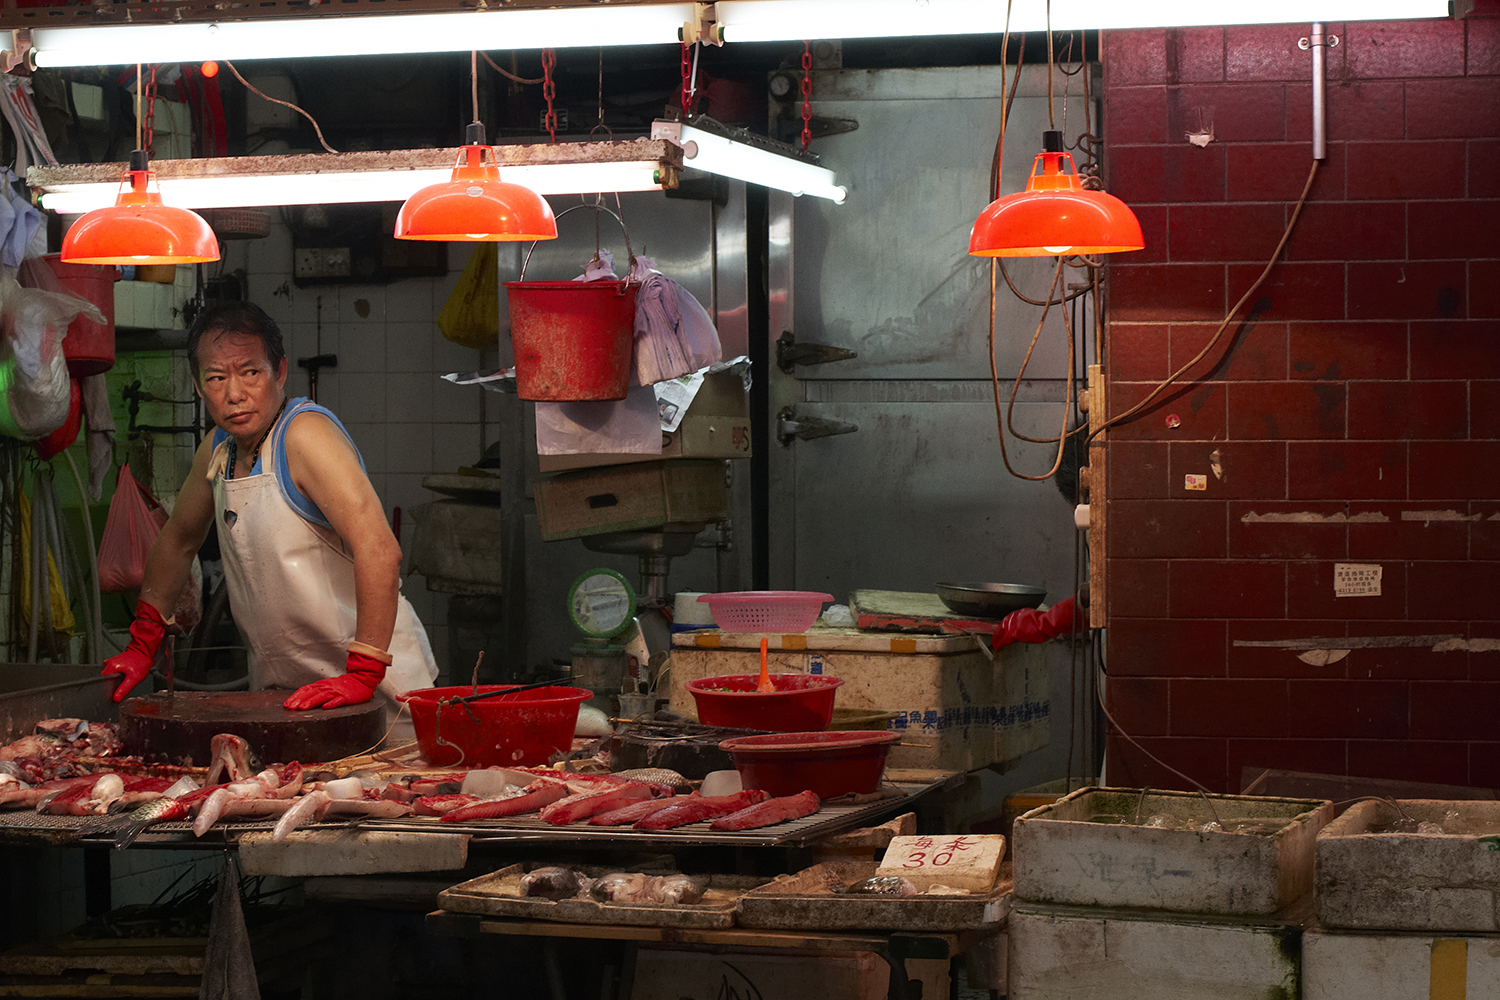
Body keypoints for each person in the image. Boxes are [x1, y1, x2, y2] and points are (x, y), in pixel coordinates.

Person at [101, 301, 437, 737]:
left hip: (380, 697)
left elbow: (379, 549)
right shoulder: (218, 449)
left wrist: (363, 671)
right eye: (217, 378)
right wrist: (144, 636)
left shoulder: (304, 435)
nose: (234, 394)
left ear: (278, 372)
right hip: (288, 697)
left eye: (250, 372)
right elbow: (178, 539)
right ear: (199, 386)